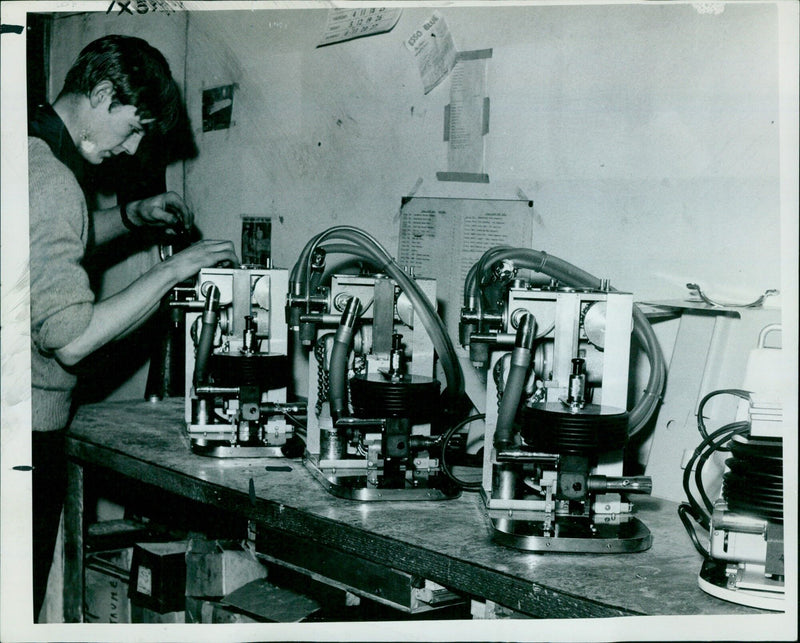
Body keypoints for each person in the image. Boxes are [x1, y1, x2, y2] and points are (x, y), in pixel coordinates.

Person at [27, 34, 238, 621]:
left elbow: (47, 245)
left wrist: (130, 216)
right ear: (100, 94)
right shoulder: (50, 181)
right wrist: (176, 269)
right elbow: (74, 339)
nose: (135, 146)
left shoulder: (27, 153)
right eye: (135, 125)